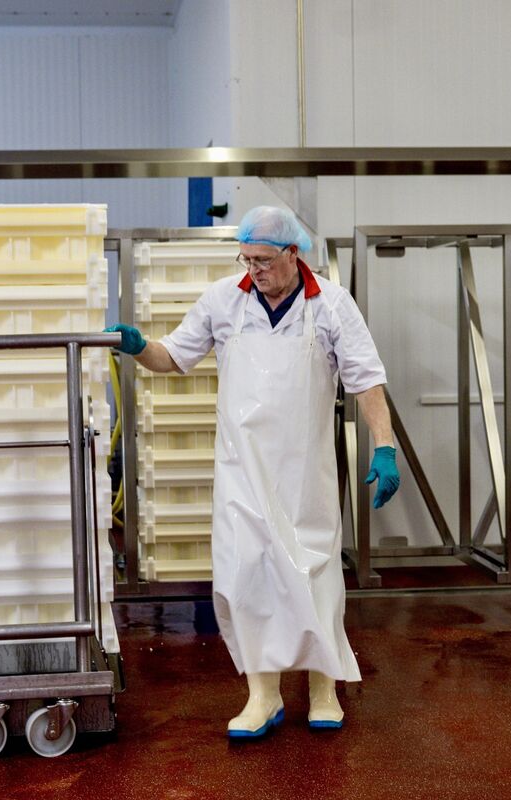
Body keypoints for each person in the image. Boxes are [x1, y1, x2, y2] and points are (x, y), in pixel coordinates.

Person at [107, 206, 399, 738]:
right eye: (246, 258)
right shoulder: (224, 299)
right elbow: (173, 357)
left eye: (263, 259)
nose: (254, 269)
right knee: (246, 576)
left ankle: (323, 690)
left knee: (314, 575)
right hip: (241, 472)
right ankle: (262, 697)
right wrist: (137, 346)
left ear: (293, 254)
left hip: (304, 474)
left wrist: (385, 446)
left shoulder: (331, 304)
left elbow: (366, 379)